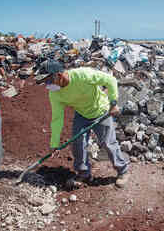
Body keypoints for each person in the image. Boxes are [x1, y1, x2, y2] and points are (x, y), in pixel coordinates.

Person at [38, 60, 130, 188]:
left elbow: (110, 80)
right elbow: (57, 118)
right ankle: (84, 173)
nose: (47, 85)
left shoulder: (83, 75)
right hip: (82, 114)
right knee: (78, 144)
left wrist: (113, 103)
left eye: (48, 81)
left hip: (101, 111)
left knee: (108, 143)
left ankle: (123, 171)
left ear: (59, 75)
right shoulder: (55, 94)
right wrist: (54, 143)